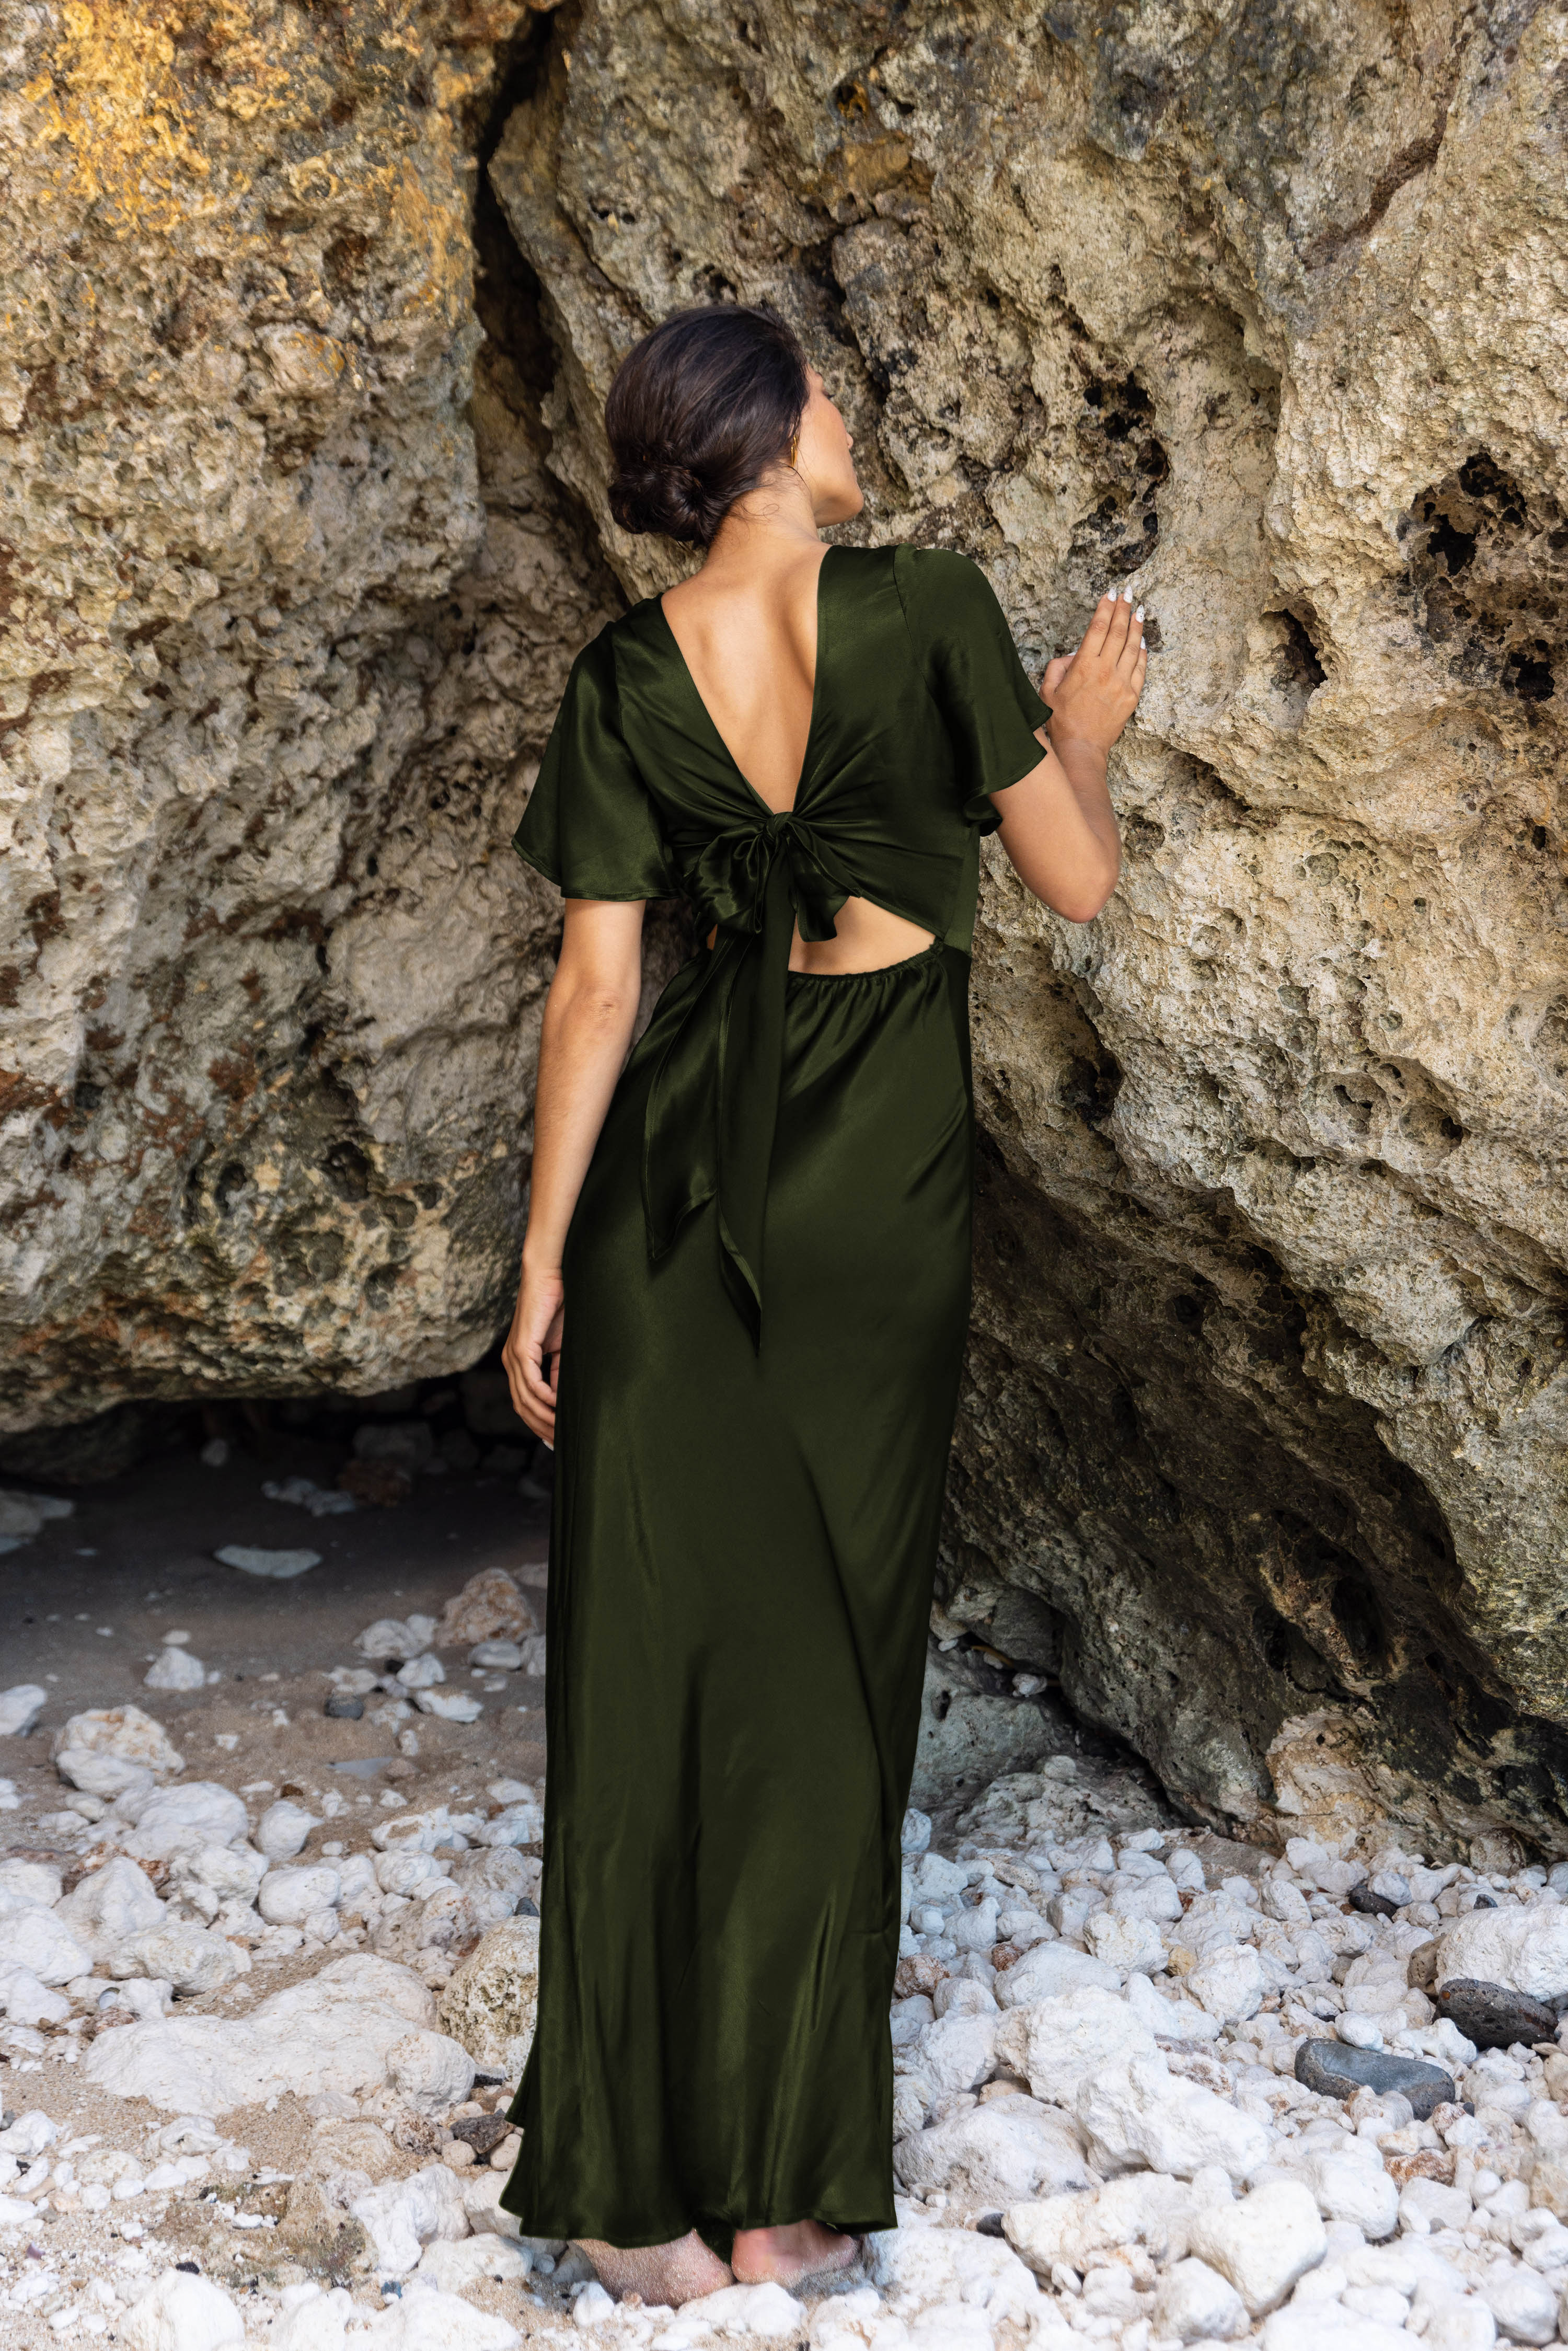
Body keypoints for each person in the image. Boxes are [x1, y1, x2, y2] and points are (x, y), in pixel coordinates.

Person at [499, 303, 1143, 2307]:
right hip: (876, 1203)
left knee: (649, 1677)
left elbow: (600, 992)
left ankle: (628, 2192)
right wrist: (1081, 745)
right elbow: (1078, 888)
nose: (855, 419)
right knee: (838, 1680)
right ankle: (781, 2193)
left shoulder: (624, 672)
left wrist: (539, 1256)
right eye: (835, 392)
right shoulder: (933, 611)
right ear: (777, 433)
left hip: (669, 1203)